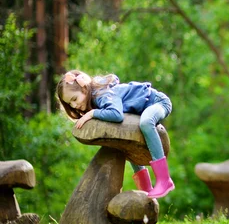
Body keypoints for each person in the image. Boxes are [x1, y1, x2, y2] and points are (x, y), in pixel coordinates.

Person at [56, 70, 175, 198]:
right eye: (70, 103)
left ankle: (164, 179)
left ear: (84, 88)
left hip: (157, 102)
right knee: (127, 141)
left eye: (74, 99)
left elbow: (116, 115)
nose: (74, 105)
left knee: (146, 123)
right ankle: (145, 188)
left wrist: (93, 113)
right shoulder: (95, 99)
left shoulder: (102, 95)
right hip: (142, 110)